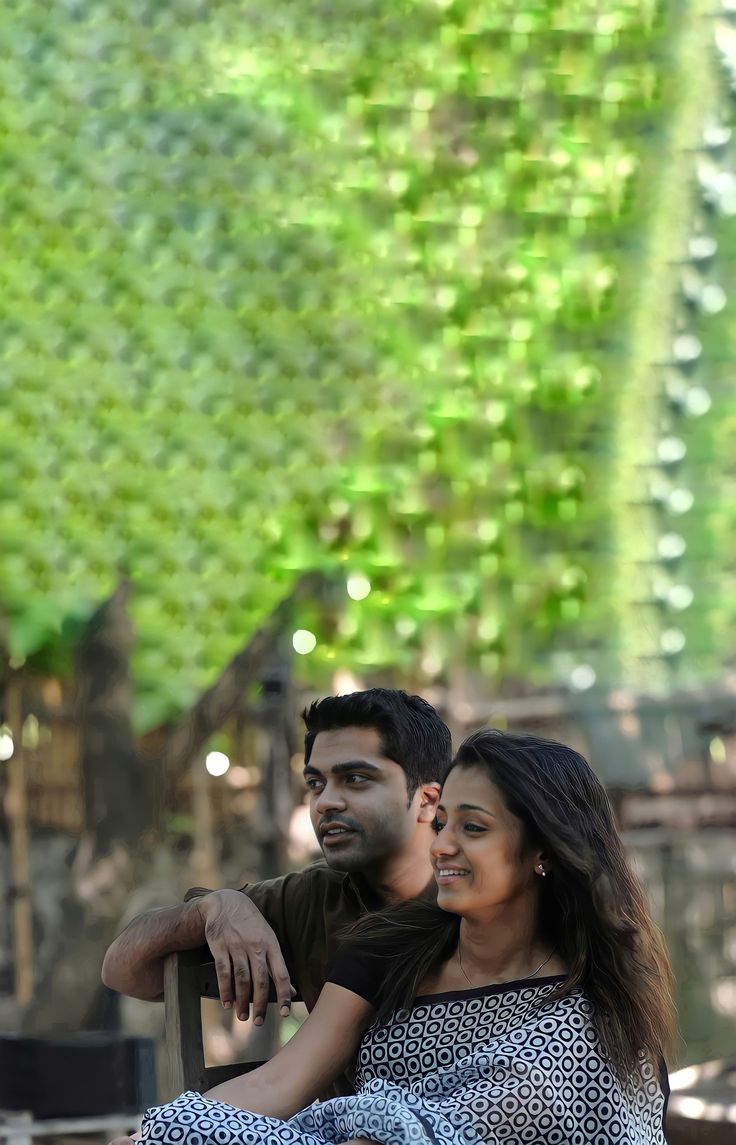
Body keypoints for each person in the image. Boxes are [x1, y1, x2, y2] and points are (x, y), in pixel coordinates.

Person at [137, 728, 675, 1145]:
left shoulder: (583, 1024)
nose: (441, 846)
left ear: (545, 852)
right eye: (441, 823)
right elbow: (278, 1084)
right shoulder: (390, 949)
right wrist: (158, 1133)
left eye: (474, 827)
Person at [102, 689, 452, 1024]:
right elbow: (123, 972)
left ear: (427, 800)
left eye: (355, 778)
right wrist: (211, 909)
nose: (325, 802)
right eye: (316, 783)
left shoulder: (483, 895)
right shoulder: (310, 900)